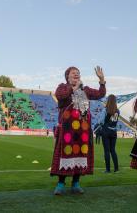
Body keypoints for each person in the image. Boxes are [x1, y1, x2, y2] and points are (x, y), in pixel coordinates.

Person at [50, 66, 106, 195]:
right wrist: (74, 88)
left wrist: (102, 79)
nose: (76, 74)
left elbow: (100, 94)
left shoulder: (85, 90)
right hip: (67, 130)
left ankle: (76, 183)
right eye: (73, 73)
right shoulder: (62, 87)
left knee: (81, 153)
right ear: (67, 77)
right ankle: (60, 183)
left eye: (78, 73)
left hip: (83, 130)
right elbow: (61, 96)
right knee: (65, 154)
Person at [102, 94, 119, 173]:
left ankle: (108, 169)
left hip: (106, 131)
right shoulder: (118, 111)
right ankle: (116, 169)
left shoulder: (105, 110)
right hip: (114, 131)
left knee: (106, 150)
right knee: (113, 150)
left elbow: (102, 121)